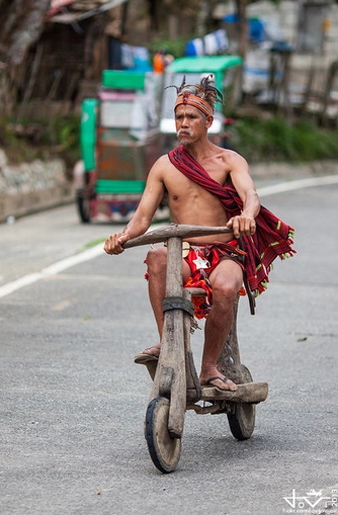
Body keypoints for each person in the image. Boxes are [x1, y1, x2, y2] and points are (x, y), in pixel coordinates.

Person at [104, 76, 295, 392]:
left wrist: (246, 217)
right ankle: (170, 345)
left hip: (224, 253)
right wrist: (120, 239)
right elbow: (141, 218)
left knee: (227, 285)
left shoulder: (229, 161)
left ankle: (209, 368)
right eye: (179, 116)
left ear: (208, 121)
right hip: (185, 251)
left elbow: (251, 197)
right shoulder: (165, 166)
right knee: (156, 256)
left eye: (191, 116)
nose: (183, 123)